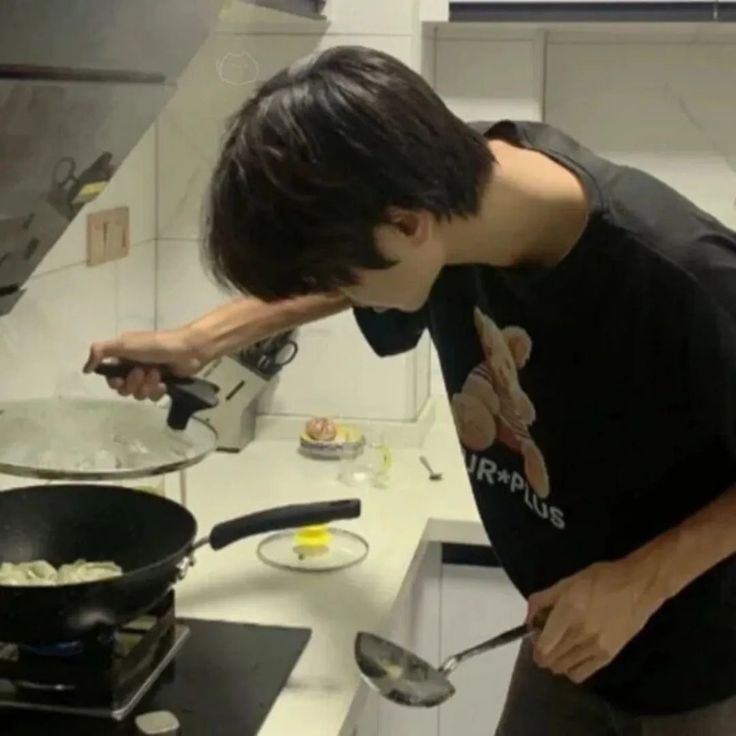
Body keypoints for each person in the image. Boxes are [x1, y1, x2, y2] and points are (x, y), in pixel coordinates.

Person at [85, 46, 736, 734]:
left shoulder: (680, 274)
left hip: (697, 663)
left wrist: (641, 582)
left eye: (340, 272)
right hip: (564, 630)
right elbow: (338, 281)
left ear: (406, 226)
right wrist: (204, 339)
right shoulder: (446, 193)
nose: (338, 290)